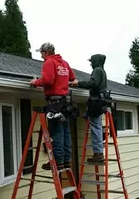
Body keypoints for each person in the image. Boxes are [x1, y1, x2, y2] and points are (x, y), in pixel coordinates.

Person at [30, 42, 77, 170]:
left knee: (57, 132)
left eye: (41, 53)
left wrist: (35, 82)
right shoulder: (64, 63)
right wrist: (62, 82)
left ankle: (58, 162)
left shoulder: (49, 62)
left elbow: (48, 80)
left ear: (46, 52)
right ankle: (67, 161)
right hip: (65, 103)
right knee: (66, 132)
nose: (41, 56)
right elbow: (72, 78)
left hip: (55, 103)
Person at [70, 54, 107, 162]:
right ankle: (99, 149)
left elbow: (92, 83)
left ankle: (98, 153)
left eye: (91, 61)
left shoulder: (97, 70)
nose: (90, 63)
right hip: (100, 101)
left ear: (96, 61)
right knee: (94, 123)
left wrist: (78, 83)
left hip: (96, 101)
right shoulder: (102, 71)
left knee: (95, 127)